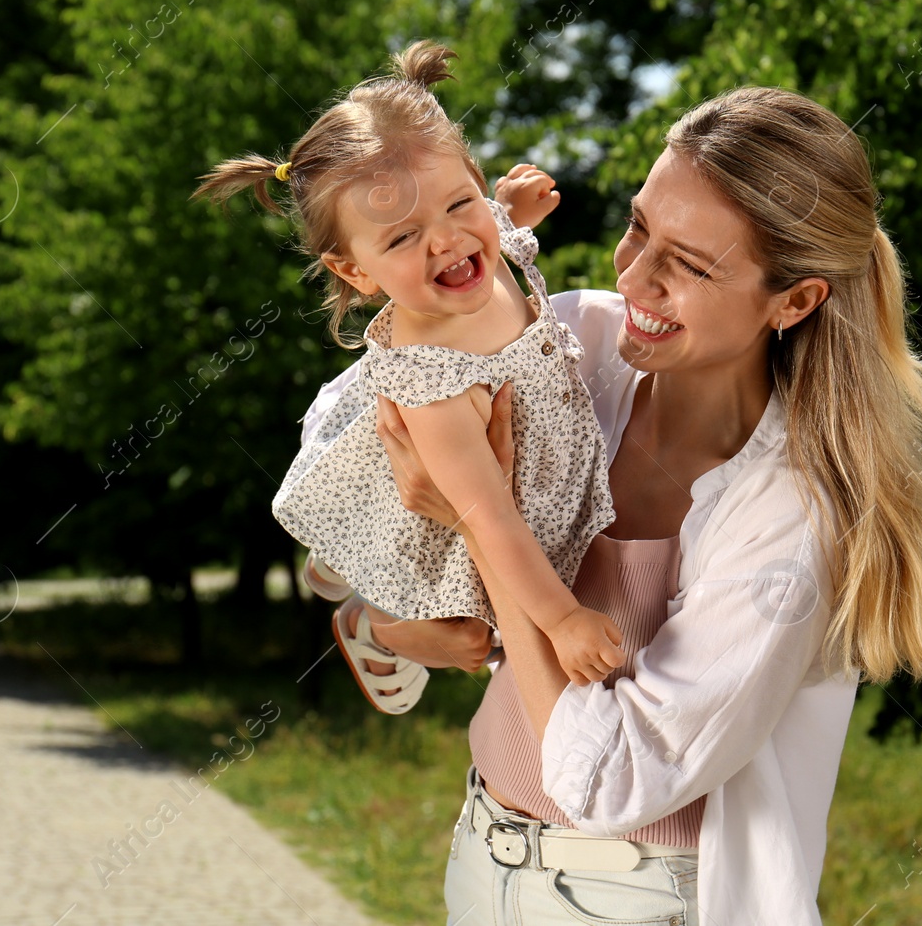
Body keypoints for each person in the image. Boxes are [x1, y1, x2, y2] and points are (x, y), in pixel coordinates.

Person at [307, 86, 922, 924]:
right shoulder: (580, 345)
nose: (633, 276)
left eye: (690, 265)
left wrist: (477, 518)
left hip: (640, 897)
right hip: (484, 851)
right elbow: (360, 413)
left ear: (796, 301)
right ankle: (378, 632)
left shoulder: (792, 519)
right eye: (638, 227)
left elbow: (609, 775)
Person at [192, 41, 627, 709]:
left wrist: (508, 208)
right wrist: (563, 616)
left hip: (480, 472)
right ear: (355, 272)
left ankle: (341, 559)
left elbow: (485, 227)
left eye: (459, 203)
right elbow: (488, 516)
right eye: (400, 238)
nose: (445, 240)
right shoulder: (435, 385)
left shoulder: (479, 246)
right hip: (455, 480)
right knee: (473, 633)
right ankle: (374, 626)